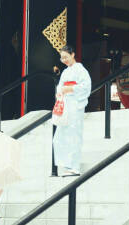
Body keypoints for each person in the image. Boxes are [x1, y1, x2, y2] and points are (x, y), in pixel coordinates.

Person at [52, 45, 92, 177]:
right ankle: (67, 164)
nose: (64, 60)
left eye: (66, 57)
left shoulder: (81, 70)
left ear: (73, 54)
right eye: (62, 58)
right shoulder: (65, 72)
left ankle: (74, 166)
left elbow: (86, 86)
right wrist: (60, 92)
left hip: (75, 104)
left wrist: (70, 89)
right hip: (66, 104)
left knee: (74, 135)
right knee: (59, 137)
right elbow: (60, 86)